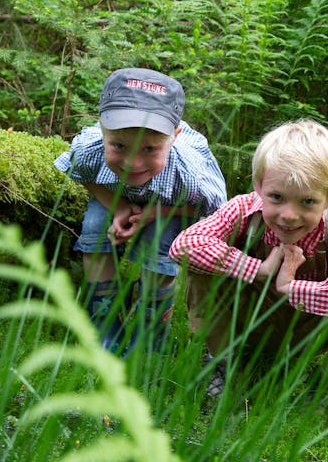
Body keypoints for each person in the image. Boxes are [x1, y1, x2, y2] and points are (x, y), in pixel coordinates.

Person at [169, 119, 328, 399]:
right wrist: (256, 268)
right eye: (277, 197)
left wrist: (292, 288)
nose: (288, 214)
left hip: (310, 326)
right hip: (249, 319)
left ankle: (326, 383)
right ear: (259, 186)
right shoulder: (243, 210)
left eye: (307, 201)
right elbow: (185, 245)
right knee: (202, 269)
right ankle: (222, 363)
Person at [55, 67, 227, 355]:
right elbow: (82, 175)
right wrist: (119, 206)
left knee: (159, 247)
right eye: (119, 145)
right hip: (113, 191)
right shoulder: (89, 150)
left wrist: (152, 215)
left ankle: (150, 338)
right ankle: (105, 326)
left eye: (149, 149)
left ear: (174, 136)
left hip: (172, 204)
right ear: (102, 128)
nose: (133, 163)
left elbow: (208, 207)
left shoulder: (188, 172)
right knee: (95, 230)